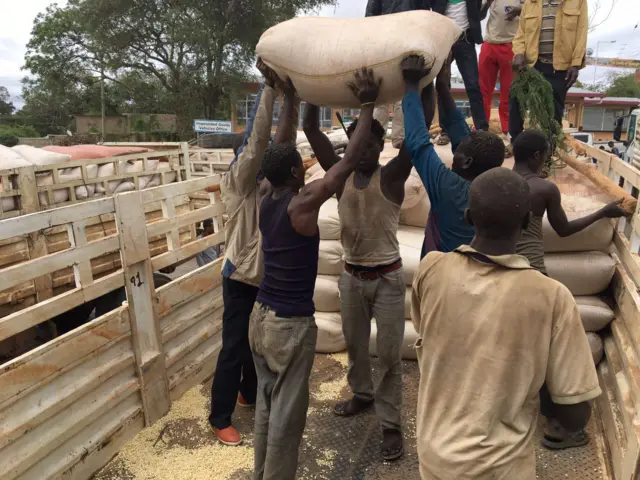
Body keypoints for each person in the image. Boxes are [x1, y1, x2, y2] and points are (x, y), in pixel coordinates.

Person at [411, 166, 601, 479]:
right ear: (528, 222)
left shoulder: (430, 269)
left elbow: (427, 333)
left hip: (435, 459)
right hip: (501, 468)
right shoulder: (551, 296)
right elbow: (575, 414)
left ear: (468, 216)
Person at [250, 68, 382, 480]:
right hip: (289, 326)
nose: (306, 170)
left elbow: (281, 145)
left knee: (266, 409)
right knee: (287, 420)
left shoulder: (266, 195)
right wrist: (366, 103)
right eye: (301, 167)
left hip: (260, 320)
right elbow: (345, 166)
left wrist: (292, 96)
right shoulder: (301, 204)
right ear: (295, 174)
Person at [304, 76, 414, 464]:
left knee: (388, 355)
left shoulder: (394, 175)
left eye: (370, 143)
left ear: (380, 146)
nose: (363, 150)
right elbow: (310, 130)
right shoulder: (340, 176)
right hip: (352, 277)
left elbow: (415, 140)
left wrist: (417, 87)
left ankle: (390, 423)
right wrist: (309, 89)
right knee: (354, 344)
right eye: (357, 143)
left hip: (386, 278)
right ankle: (363, 395)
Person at [512, 130, 625, 450]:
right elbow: (563, 229)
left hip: (500, 271)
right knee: (550, 349)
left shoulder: (498, 184)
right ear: (536, 157)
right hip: (533, 274)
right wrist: (603, 212)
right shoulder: (544, 188)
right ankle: (560, 424)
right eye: (545, 154)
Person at [209, 59, 299, 446]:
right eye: (252, 156)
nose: (260, 158)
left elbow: (283, 142)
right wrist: (270, 91)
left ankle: (247, 393)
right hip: (240, 277)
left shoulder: (269, 182)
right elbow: (260, 140)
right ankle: (219, 416)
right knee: (233, 347)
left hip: (264, 276)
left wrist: (293, 99)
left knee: (255, 343)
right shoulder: (240, 182)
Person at [401, 54, 505, 258]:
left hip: (441, 277)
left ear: (467, 162)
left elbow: (418, 143)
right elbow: (458, 130)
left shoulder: (449, 188)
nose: (454, 150)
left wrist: (411, 86)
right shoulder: (492, 190)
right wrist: (442, 88)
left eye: (457, 150)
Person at [510, 0, 588, 141]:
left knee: (554, 115)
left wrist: (575, 64)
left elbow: (582, 34)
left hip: (559, 68)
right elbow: (520, 33)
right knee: (517, 99)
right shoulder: (530, 2)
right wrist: (519, 54)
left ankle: (548, 155)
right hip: (532, 65)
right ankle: (516, 144)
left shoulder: (578, 2)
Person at [365, 0, 425, 148]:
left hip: (405, 42)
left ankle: (395, 138)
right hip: (386, 42)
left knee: (399, 93)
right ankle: (378, 136)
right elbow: (370, 16)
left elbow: (423, 13)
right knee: (383, 94)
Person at [426, 0, 489, 136]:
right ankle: (445, 130)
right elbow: (431, 6)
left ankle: (481, 128)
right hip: (444, 40)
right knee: (443, 85)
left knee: (473, 85)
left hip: (465, 40)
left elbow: (478, 14)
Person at [479, 0, 524, 137]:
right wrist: (487, 3)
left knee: (509, 92)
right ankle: (481, 127)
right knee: (483, 90)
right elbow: (479, 16)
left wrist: (520, 9)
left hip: (510, 45)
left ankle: (507, 129)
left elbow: (533, 14)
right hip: (489, 44)